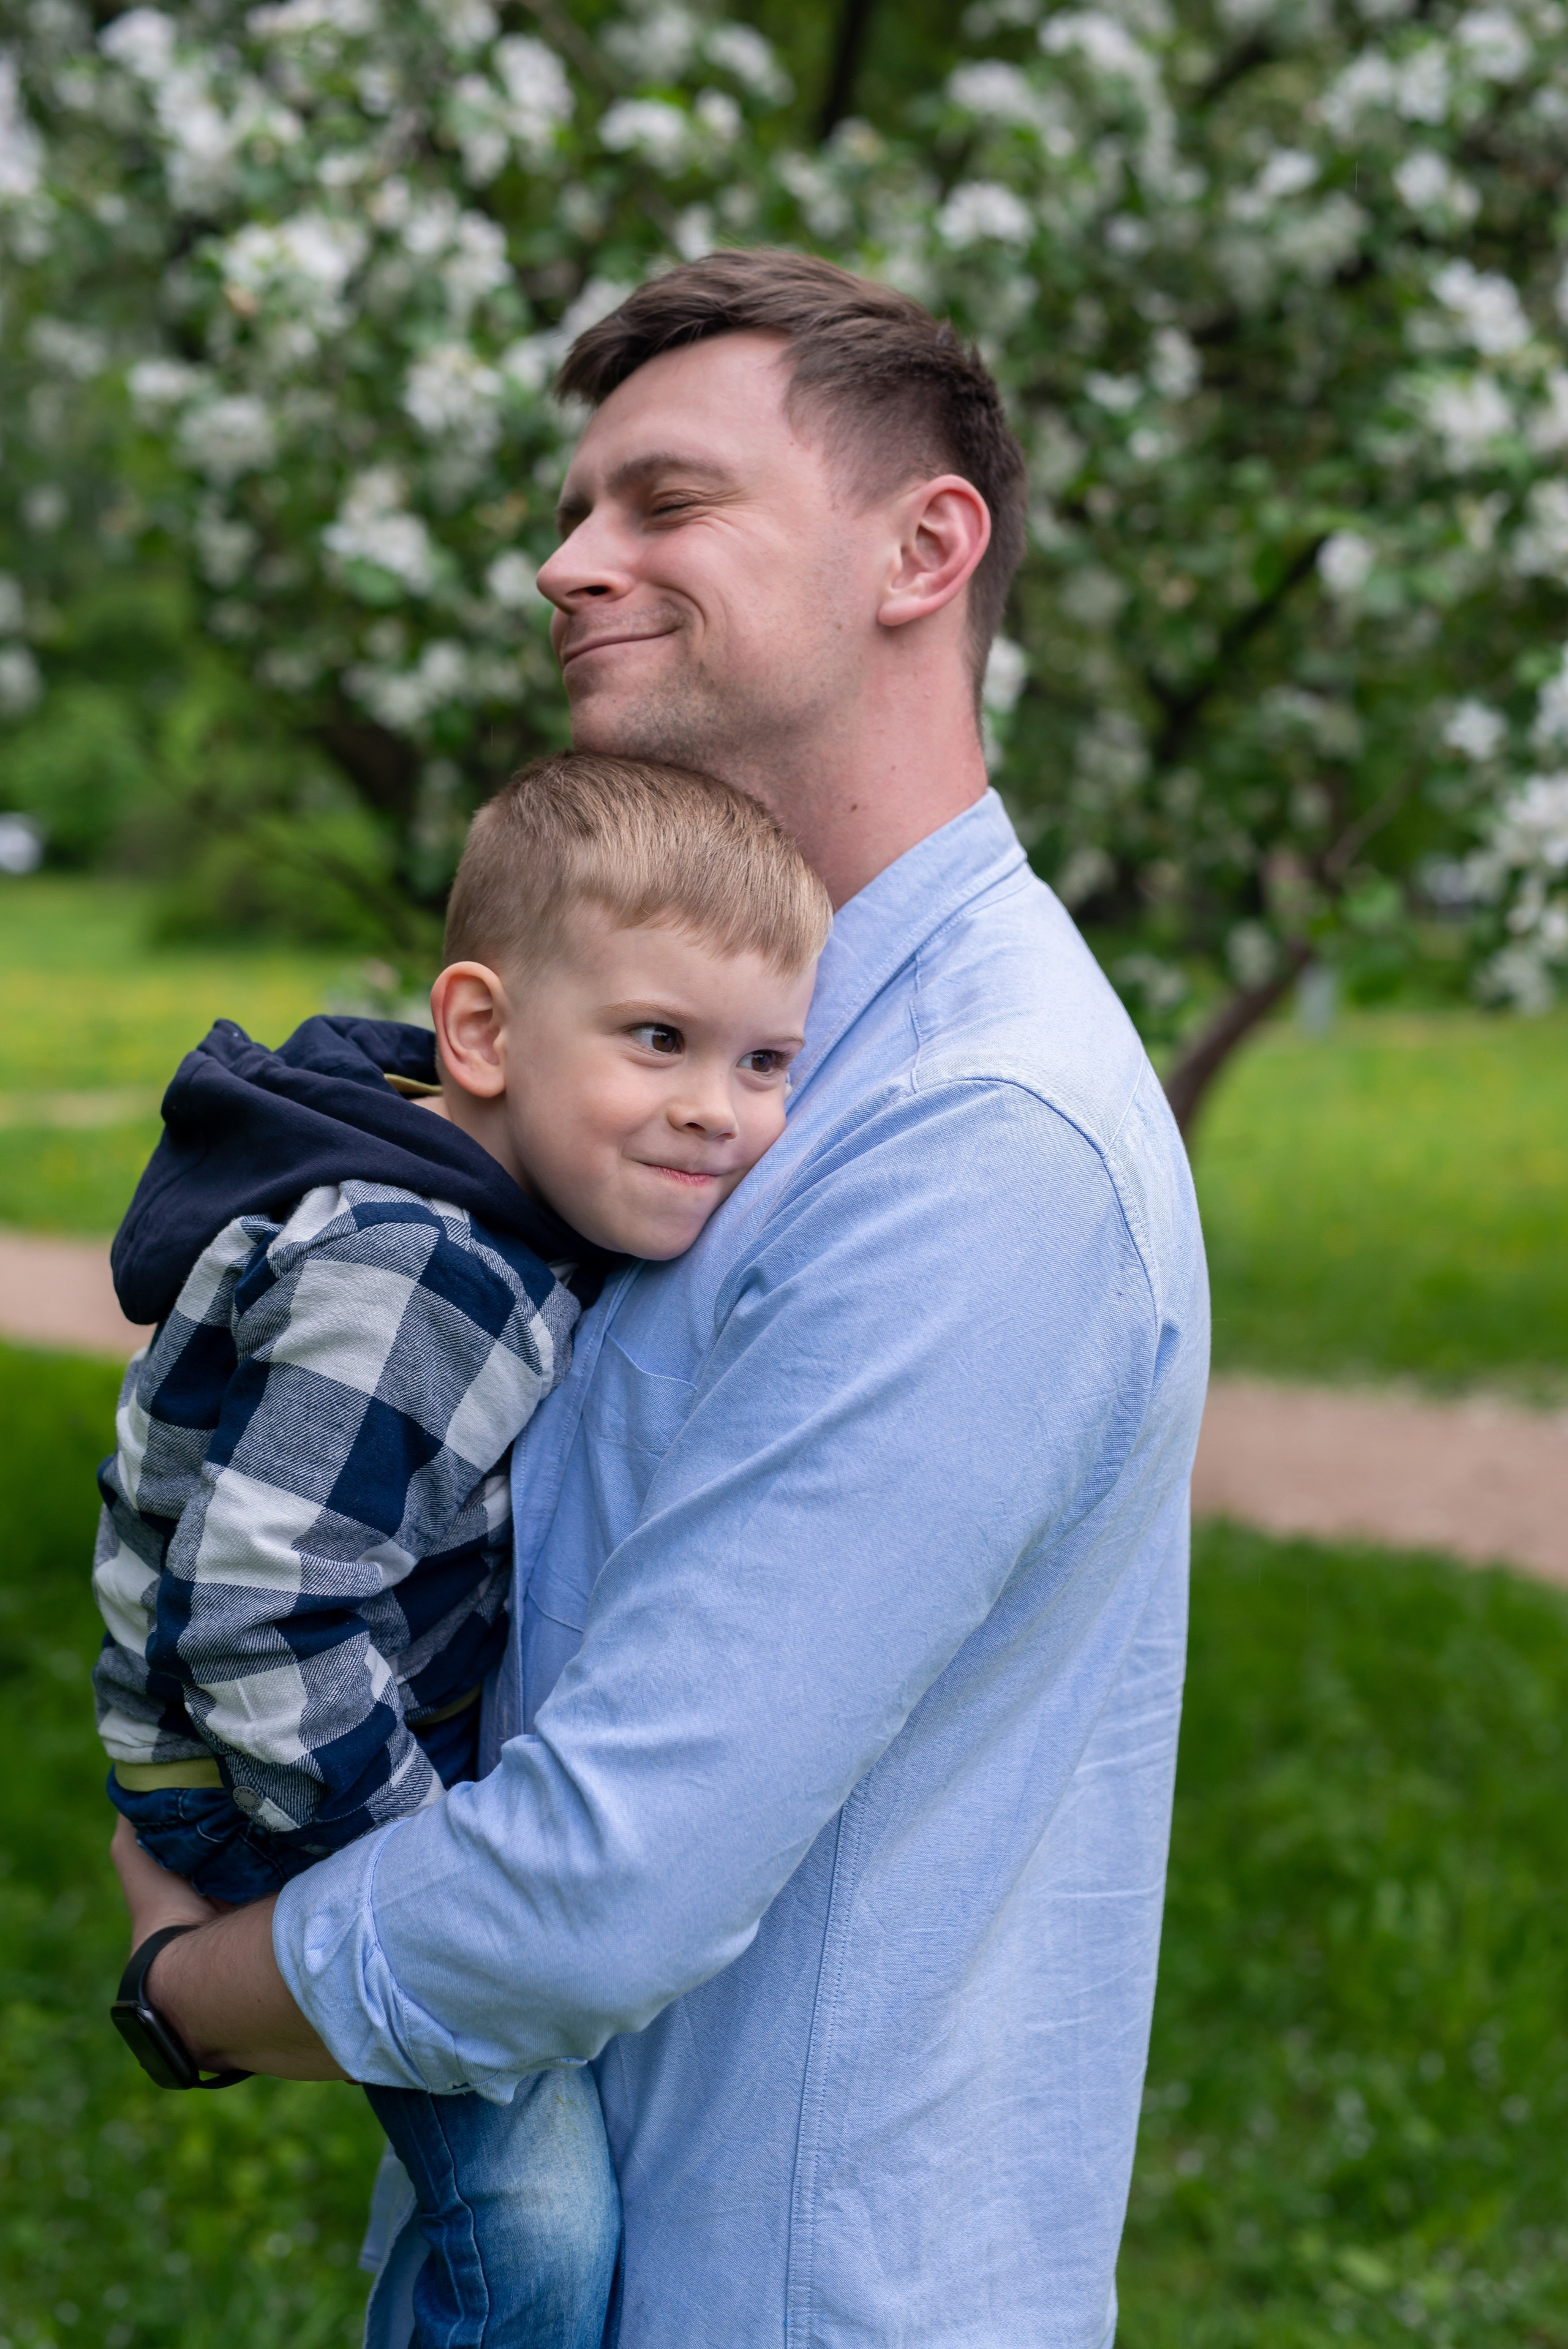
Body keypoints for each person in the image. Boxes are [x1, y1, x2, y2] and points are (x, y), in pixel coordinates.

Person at [111, 250, 1209, 2347]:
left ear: (924, 546)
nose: (564, 561)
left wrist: (184, 1988)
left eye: (661, 501)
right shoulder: (729, 1061)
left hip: (774, 2288)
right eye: (573, 505)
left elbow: (596, 1881)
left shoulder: (980, 1135)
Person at [94, 752, 828, 2348]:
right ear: (483, 1033)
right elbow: (256, 1610)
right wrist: (419, 1867)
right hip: (272, 1769)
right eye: (661, 1039)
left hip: (321, 1730)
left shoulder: (483, 1200)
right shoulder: (419, 1272)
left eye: (769, 1058)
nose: (722, 1107)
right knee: (535, 2225)